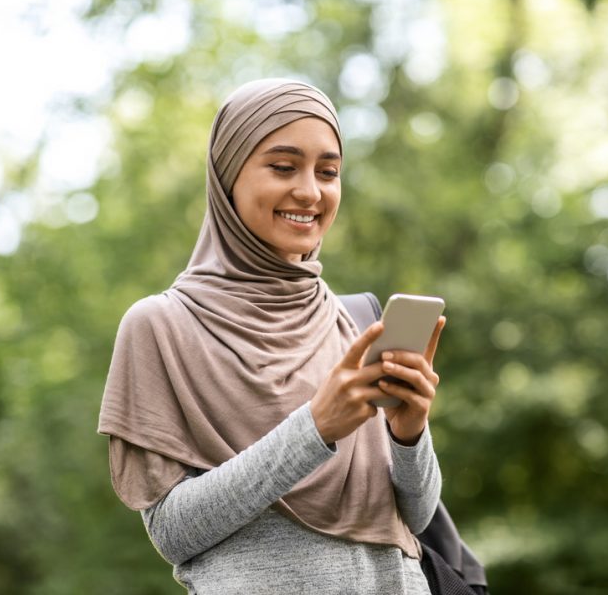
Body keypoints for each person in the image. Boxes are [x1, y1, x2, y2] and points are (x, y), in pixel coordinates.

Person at [97, 79, 446, 594]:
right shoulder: (160, 326)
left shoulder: (348, 323)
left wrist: (410, 432)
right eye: (283, 167)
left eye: (328, 172)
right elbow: (172, 532)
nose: (310, 191)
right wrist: (315, 428)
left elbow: (413, 520)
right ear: (228, 176)